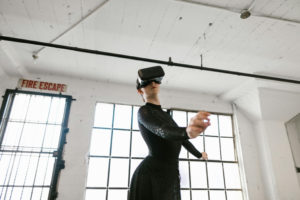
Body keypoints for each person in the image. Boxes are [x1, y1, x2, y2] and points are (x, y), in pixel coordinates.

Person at [129, 67, 210, 200]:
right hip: (151, 175)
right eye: (147, 82)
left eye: (157, 80)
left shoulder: (166, 116)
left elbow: (181, 139)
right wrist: (186, 131)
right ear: (140, 90)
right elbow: (163, 131)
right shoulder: (144, 112)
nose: (153, 84)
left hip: (170, 173)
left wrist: (199, 154)